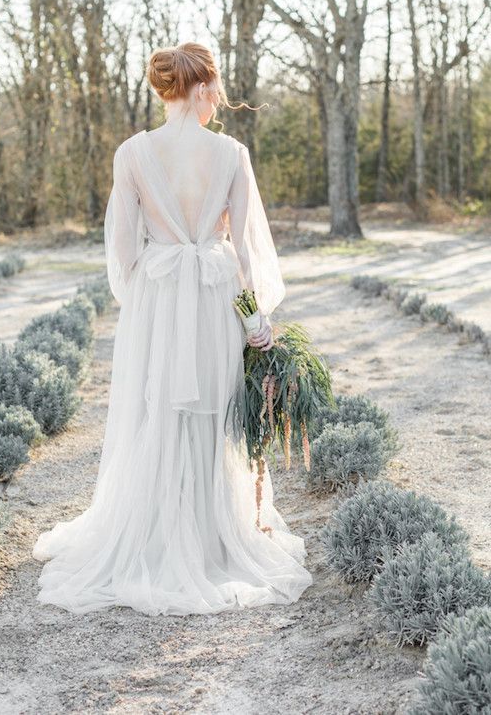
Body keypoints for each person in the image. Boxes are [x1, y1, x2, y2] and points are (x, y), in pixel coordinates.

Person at [32, 42, 313, 616]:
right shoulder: (231, 153)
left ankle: (156, 532)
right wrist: (255, 317)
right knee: (213, 411)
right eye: (215, 89)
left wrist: (147, 305)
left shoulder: (133, 153)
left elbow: (122, 251)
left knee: (156, 411)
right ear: (204, 87)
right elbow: (248, 254)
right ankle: (213, 536)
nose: (218, 99)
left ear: (162, 90)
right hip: (214, 297)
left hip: (158, 301)